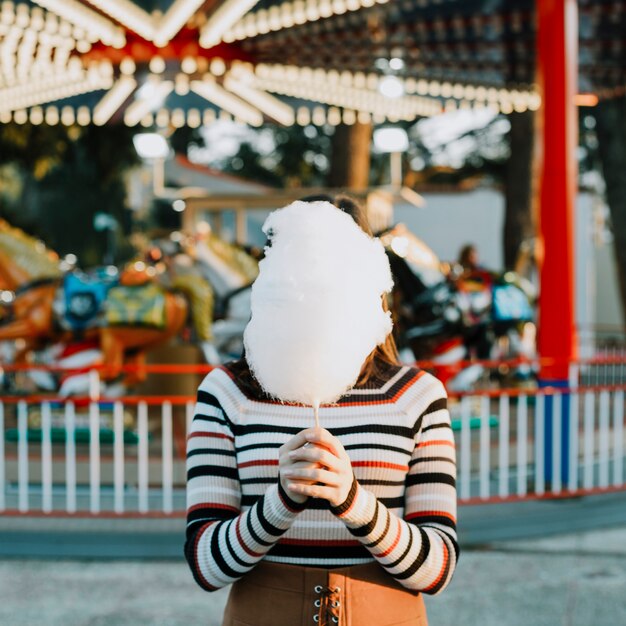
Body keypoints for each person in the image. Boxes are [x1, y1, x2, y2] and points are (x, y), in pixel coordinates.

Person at [184, 196, 458, 626]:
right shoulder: (226, 391)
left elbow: (437, 568)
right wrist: (282, 500)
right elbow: (206, 565)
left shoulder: (417, 395)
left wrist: (353, 502)